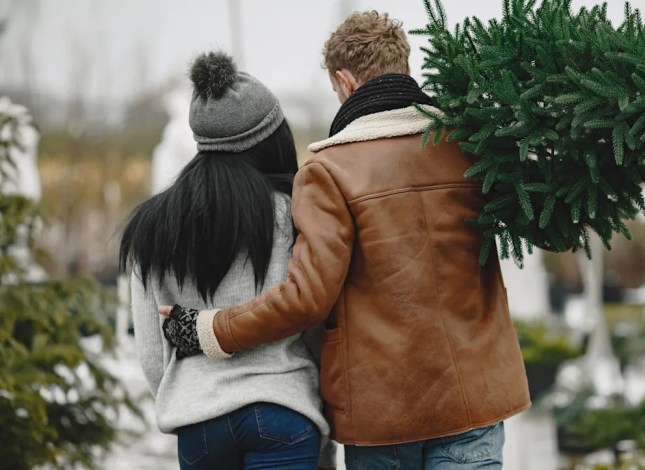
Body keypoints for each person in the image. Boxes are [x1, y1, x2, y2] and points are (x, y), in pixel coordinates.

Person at [161, 12, 531, 470]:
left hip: (382, 416)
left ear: (344, 82)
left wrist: (211, 329)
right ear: (404, 65)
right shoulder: (471, 147)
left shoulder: (328, 172)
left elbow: (306, 300)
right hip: (475, 401)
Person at [120, 51, 335, 470]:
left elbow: (150, 351)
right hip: (284, 408)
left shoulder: (154, 226)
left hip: (199, 423)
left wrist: (189, 393)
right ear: (271, 140)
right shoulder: (293, 216)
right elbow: (313, 318)